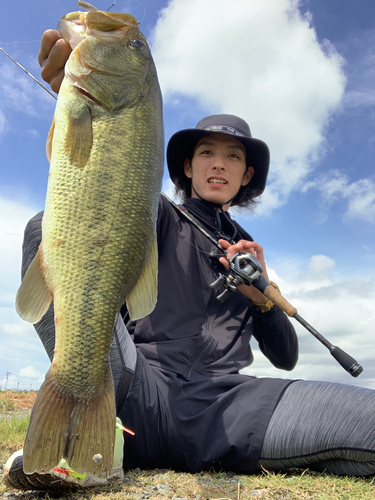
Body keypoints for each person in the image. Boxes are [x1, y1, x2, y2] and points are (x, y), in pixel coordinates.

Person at [5, 31, 375, 491]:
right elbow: (99, 195)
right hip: (135, 386)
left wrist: (260, 297)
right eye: (206, 153)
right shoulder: (152, 212)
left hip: (226, 408)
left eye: (232, 156)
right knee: (46, 228)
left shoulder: (250, 253)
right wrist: (90, 109)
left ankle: (101, 449)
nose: (218, 164)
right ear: (187, 167)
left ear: (246, 175)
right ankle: (89, 434)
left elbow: (285, 357)